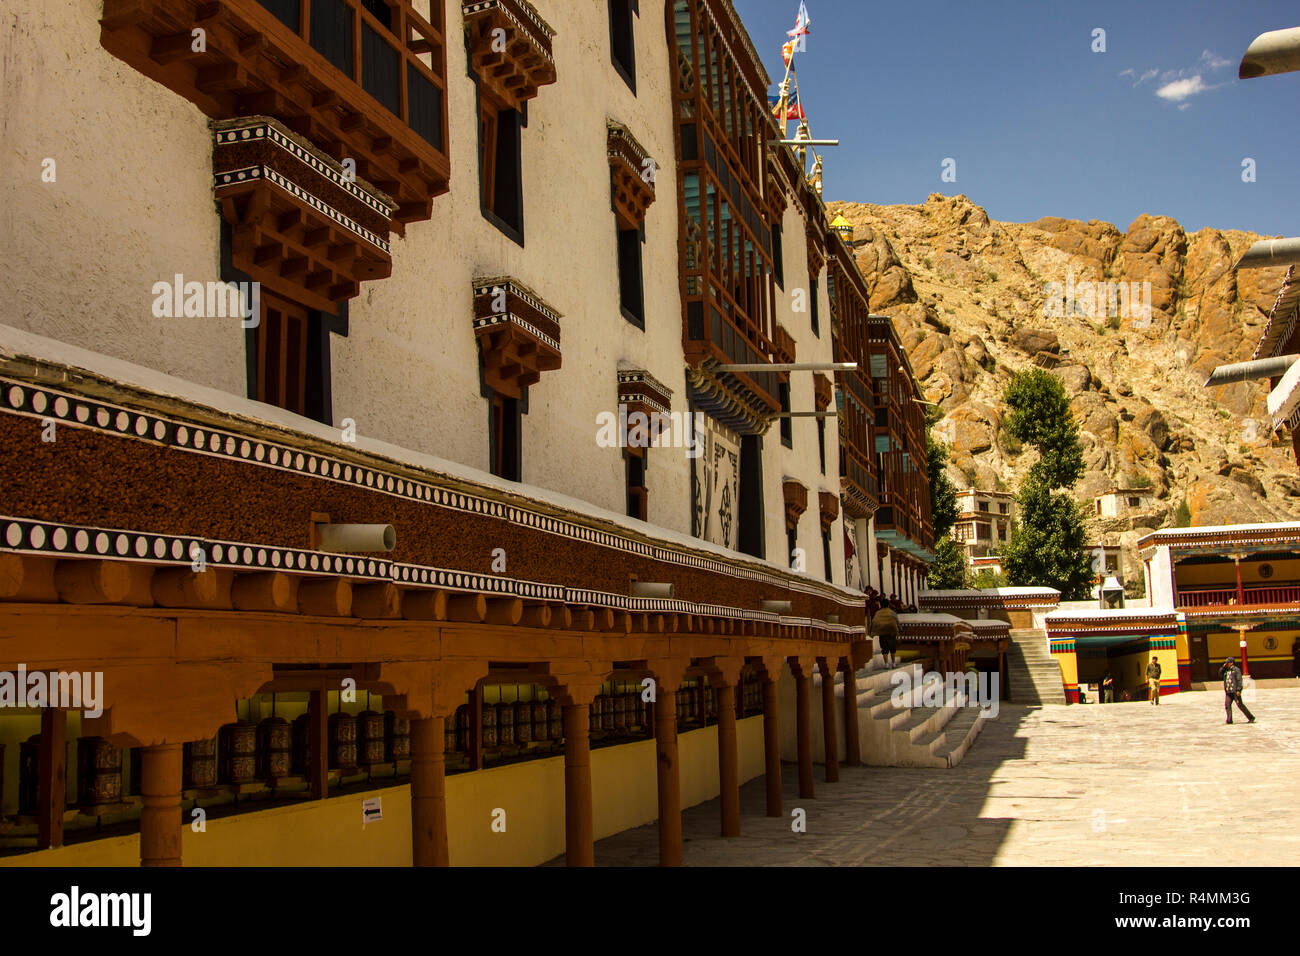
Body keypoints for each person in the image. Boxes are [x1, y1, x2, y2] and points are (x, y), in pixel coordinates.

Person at [1220, 656, 1255, 724]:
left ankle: (1251, 717)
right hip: (1228, 691)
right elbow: (1220, 674)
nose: (1226, 664)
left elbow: (1239, 680)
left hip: (1235, 691)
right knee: (1227, 705)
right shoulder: (1225, 670)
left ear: (1231, 663)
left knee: (1240, 705)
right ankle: (1229, 720)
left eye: (1227, 662)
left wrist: (1239, 690)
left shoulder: (1236, 670)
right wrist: (1222, 668)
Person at [872, 602, 900, 669]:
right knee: (892, 649)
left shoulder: (878, 613)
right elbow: (897, 621)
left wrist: (873, 632)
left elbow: (874, 622)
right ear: (888, 605)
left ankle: (886, 664)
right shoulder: (892, 612)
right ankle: (893, 663)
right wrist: (899, 630)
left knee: (884, 649)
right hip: (891, 633)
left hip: (882, 633)